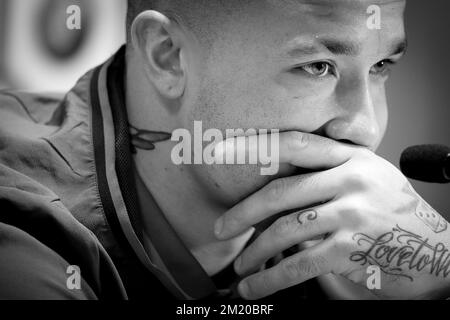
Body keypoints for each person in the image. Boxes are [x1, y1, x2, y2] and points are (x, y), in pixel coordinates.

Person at [1, 0, 449, 300]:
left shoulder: (362, 240)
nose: (366, 129)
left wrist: (440, 272)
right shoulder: (22, 234)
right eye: (317, 66)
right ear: (168, 56)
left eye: (381, 66)